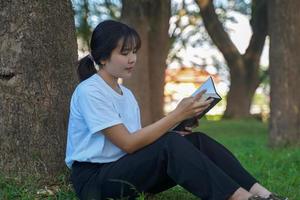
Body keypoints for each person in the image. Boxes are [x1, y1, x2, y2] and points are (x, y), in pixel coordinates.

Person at [65, 20, 287, 200]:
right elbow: (128, 143)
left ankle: (264, 195)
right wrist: (176, 115)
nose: (133, 59)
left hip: (122, 168)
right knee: (169, 144)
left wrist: (176, 125)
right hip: (95, 181)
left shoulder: (126, 94)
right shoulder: (90, 91)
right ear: (103, 57)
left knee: (196, 141)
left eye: (134, 51)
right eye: (125, 53)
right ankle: (240, 198)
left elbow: (136, 141)